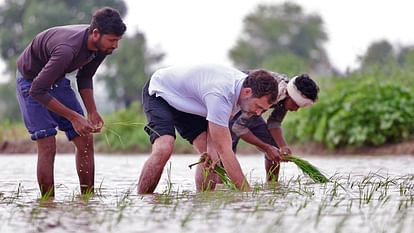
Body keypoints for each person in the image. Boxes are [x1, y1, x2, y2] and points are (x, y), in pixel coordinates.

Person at [15, 7, 126, 197]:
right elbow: (37, 90)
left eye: (117, 41)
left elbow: (85, 77)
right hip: (30, 81)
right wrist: (74, 117)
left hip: (57, 79)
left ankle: (87, 199)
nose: (115, 46)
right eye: (112, 40)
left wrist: (91, 111)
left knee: (85, 138)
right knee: (47, 143)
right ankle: (47, 203)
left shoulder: (101, 48)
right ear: (96, 34)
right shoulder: (67, 49)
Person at [138, 64, 279, 193]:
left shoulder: (242, 92)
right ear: (247, 92)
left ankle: (204, 202)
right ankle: (143, 199)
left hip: (192, 103)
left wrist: (212, 149)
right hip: (161, 92)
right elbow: (226, 150)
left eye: (263, 110)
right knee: (164, 147)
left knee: (211, 157)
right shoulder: (221, 94)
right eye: (259, 107)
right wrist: (247, 193)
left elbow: (217, 127)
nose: (258, 113)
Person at [230, 71, 319, 182]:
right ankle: (220, 186)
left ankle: (272, 185)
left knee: (274, 147)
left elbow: (274, 122)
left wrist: (283, 146)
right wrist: (266, 148)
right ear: (289, 95)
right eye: (296, 105)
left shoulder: (286, 95)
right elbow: (238, 127)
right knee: (226, 150)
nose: (296, 110)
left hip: (252, 111)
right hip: (236, 105)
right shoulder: (272, 92)